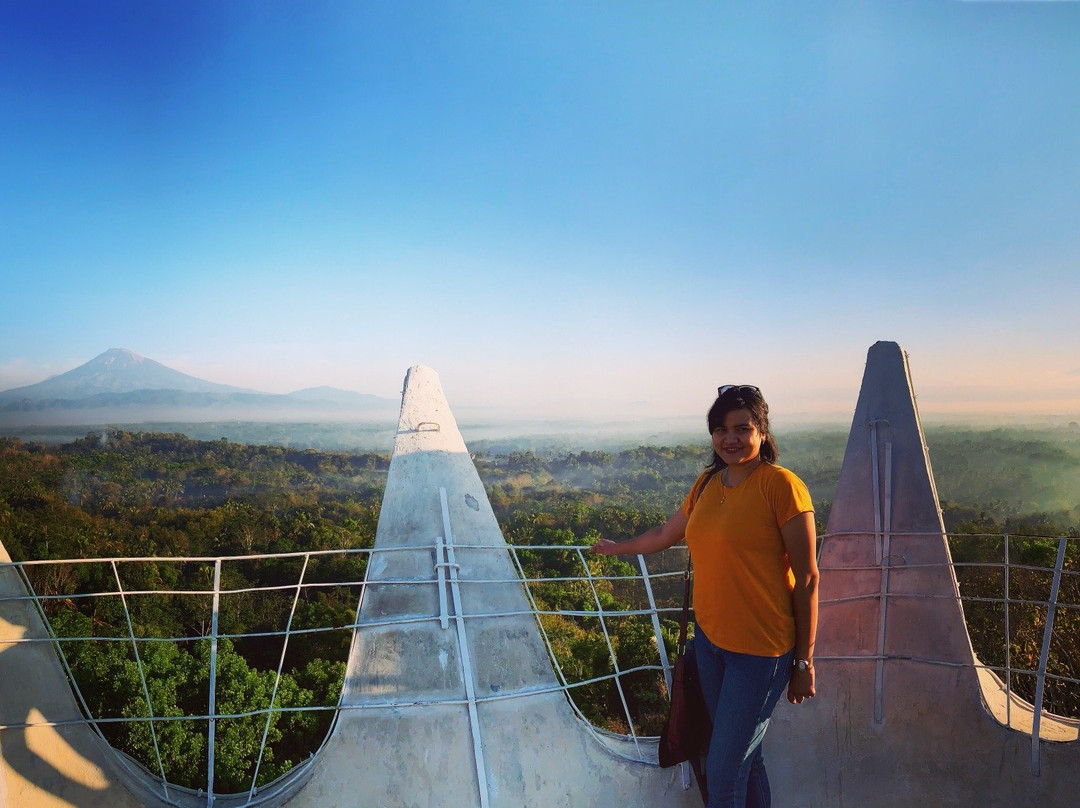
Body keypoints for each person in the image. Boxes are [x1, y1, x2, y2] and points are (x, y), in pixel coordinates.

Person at [591, 384, 818, 808]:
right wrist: (616, 548)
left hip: (760, 653)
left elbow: (807, 578)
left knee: (722, 772)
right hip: (711, 645)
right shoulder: (708, 483)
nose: (729, 439)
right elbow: (665, 534)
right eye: (720, 430)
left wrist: (804, 661)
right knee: (745, 760)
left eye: (741, 428)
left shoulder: (782, 487)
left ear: (762, 432)